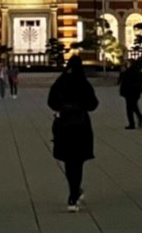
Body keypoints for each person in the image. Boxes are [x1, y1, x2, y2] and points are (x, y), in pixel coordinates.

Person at [48, 55, 99, 212]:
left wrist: (62, 107)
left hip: (64, 126)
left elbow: (51, 102)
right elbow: (93, 104)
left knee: (69, 162)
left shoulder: (61, 81)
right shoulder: (83, 83)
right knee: (78, 161)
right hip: (81, 126)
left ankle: (73, 192)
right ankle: (74, 193)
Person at [117, 58, 142, 129]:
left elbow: (124, 82)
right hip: (134, 92)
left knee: (129, 108)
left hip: (130, 92)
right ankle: (139, 116)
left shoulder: (129, 71)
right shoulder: (136, 71)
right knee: (133, 106)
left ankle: (132, 123)